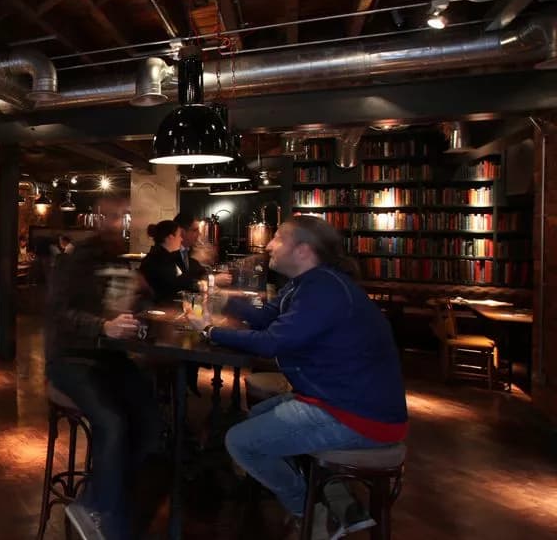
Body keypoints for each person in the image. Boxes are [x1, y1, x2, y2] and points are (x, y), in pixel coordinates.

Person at [191, 216, 408, 539]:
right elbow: (267, 317)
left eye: (277, 238)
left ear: (304, 250)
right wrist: (227, 299)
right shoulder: (308, 283)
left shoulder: (323, 289)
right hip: (341, 398)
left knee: (240, 441)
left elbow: (272, 341)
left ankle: (311, 510)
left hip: (356, 415)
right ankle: (341, 502)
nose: (268, 245)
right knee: (259, 414)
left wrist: (211, 330)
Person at [46, 197, 164, 540]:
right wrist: (102, 326)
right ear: (97, 218)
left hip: (109, 358)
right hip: (71, 358)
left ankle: (95, 498)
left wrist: (141, 294)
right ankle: (110, 520)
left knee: (152, 422)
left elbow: (134, 303)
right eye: (113, 217)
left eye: (125, 217)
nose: (120, 223)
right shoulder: (77, 258)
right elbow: (59, 313)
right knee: (112, 422)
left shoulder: (117, 258)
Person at [138, 220, 200, 304]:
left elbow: (181, 277)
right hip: (155, 309)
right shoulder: (158, 259)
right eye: (179, 236)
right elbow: (175, 283)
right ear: (170, 237)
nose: (181, 239)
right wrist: (198, 284)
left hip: (163, 305)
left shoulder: (167, 256)